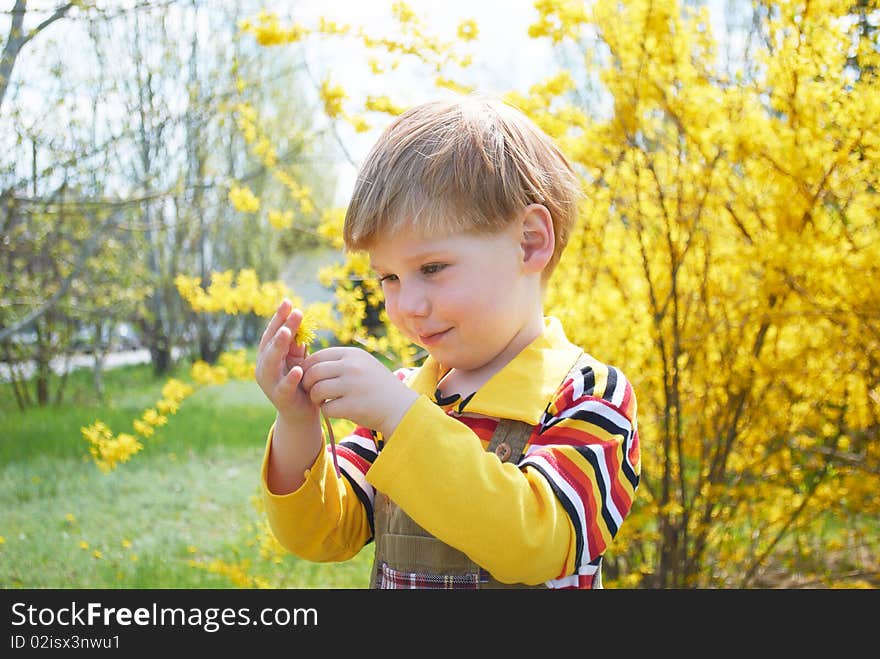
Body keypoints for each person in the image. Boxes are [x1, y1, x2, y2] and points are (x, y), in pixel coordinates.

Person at [254, 94, 641, 589]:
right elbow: (324, 533)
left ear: (530, 241)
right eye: (389, 277)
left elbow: (537, 543)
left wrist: (400, 417)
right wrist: (297, 422)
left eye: (431, 268)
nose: (407, 305)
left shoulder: (589, 396)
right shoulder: (408, 395)